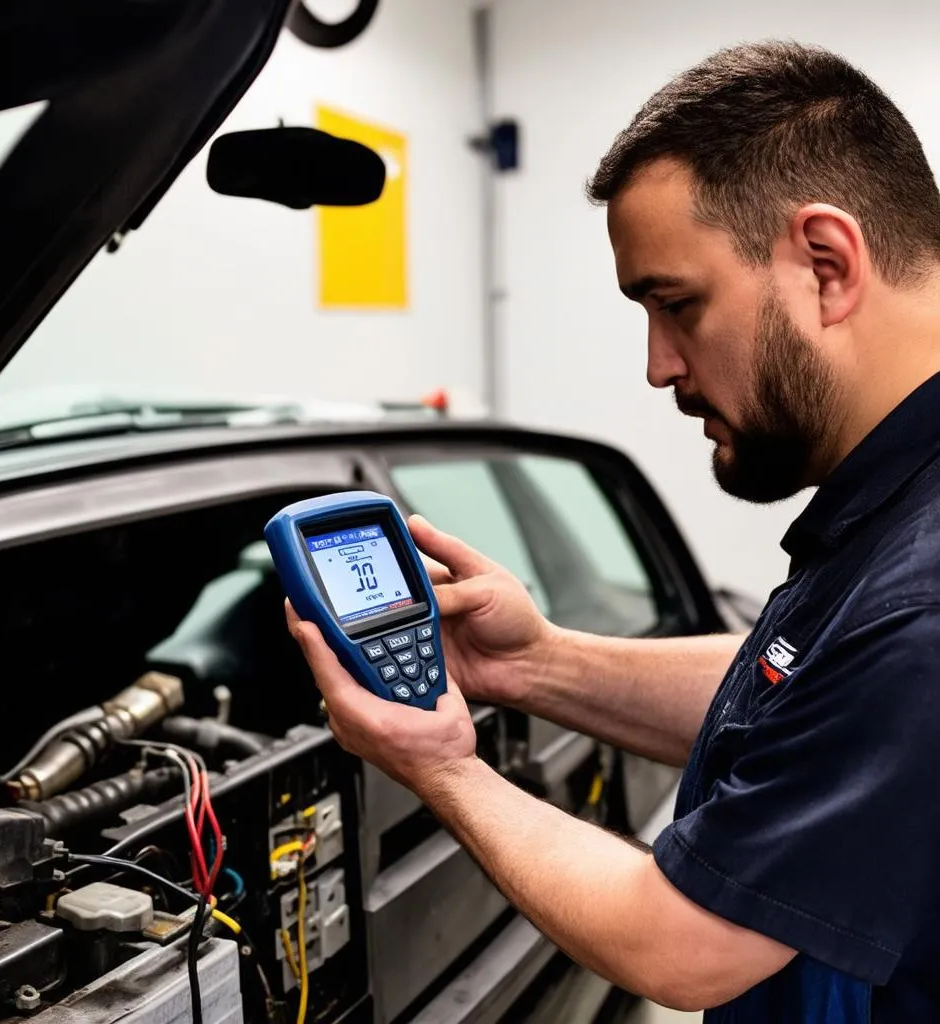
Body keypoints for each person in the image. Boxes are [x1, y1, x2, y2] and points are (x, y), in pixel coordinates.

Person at [286, 41, 940, 1021]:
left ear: (826, 262)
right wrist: (534, 663)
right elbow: (814, 700)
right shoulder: (895, 511)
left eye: (675, 304)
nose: (657, 365)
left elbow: (679, 946)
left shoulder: (921, 598)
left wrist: (438, 763)